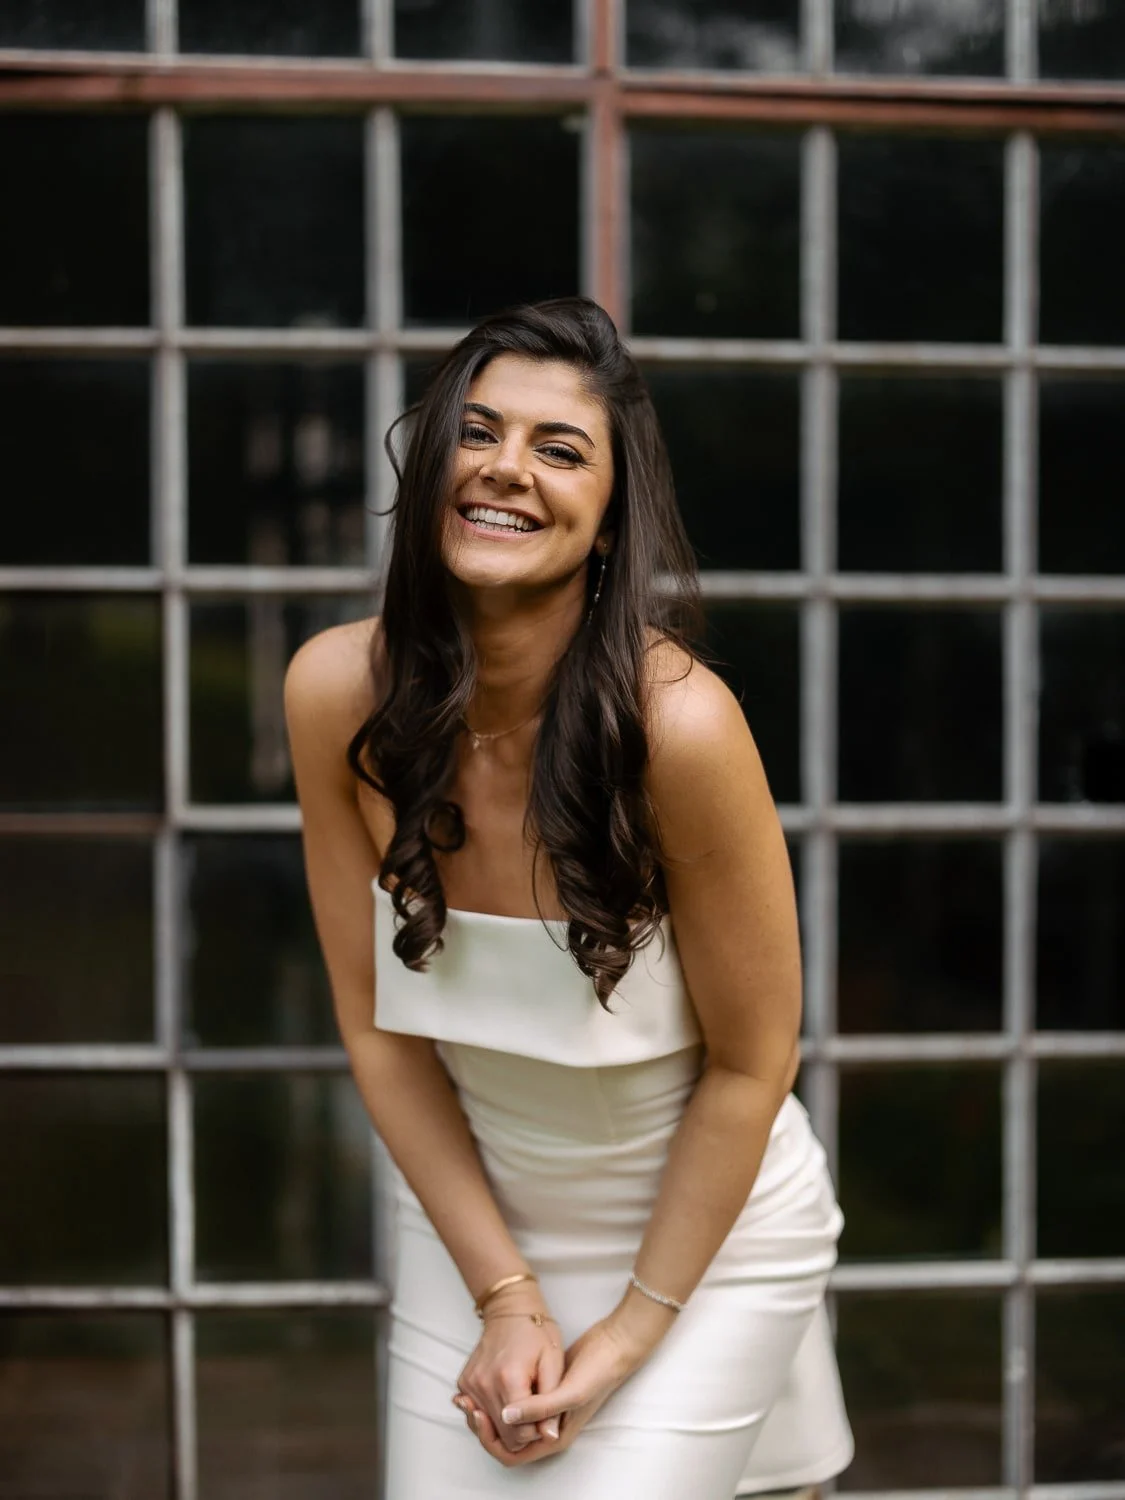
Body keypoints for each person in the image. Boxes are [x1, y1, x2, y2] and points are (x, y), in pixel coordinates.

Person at [284, 296, 853, 1497]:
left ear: (606, 520)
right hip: (474, 1231)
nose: (507, 470)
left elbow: (756, 1066)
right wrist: (505, 1292)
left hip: (705, 1240)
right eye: (478, 433)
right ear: (433, 463)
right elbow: (376, 1031)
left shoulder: (681, 727)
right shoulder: (334, 691)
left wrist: (629, 1335)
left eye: (559, 449)